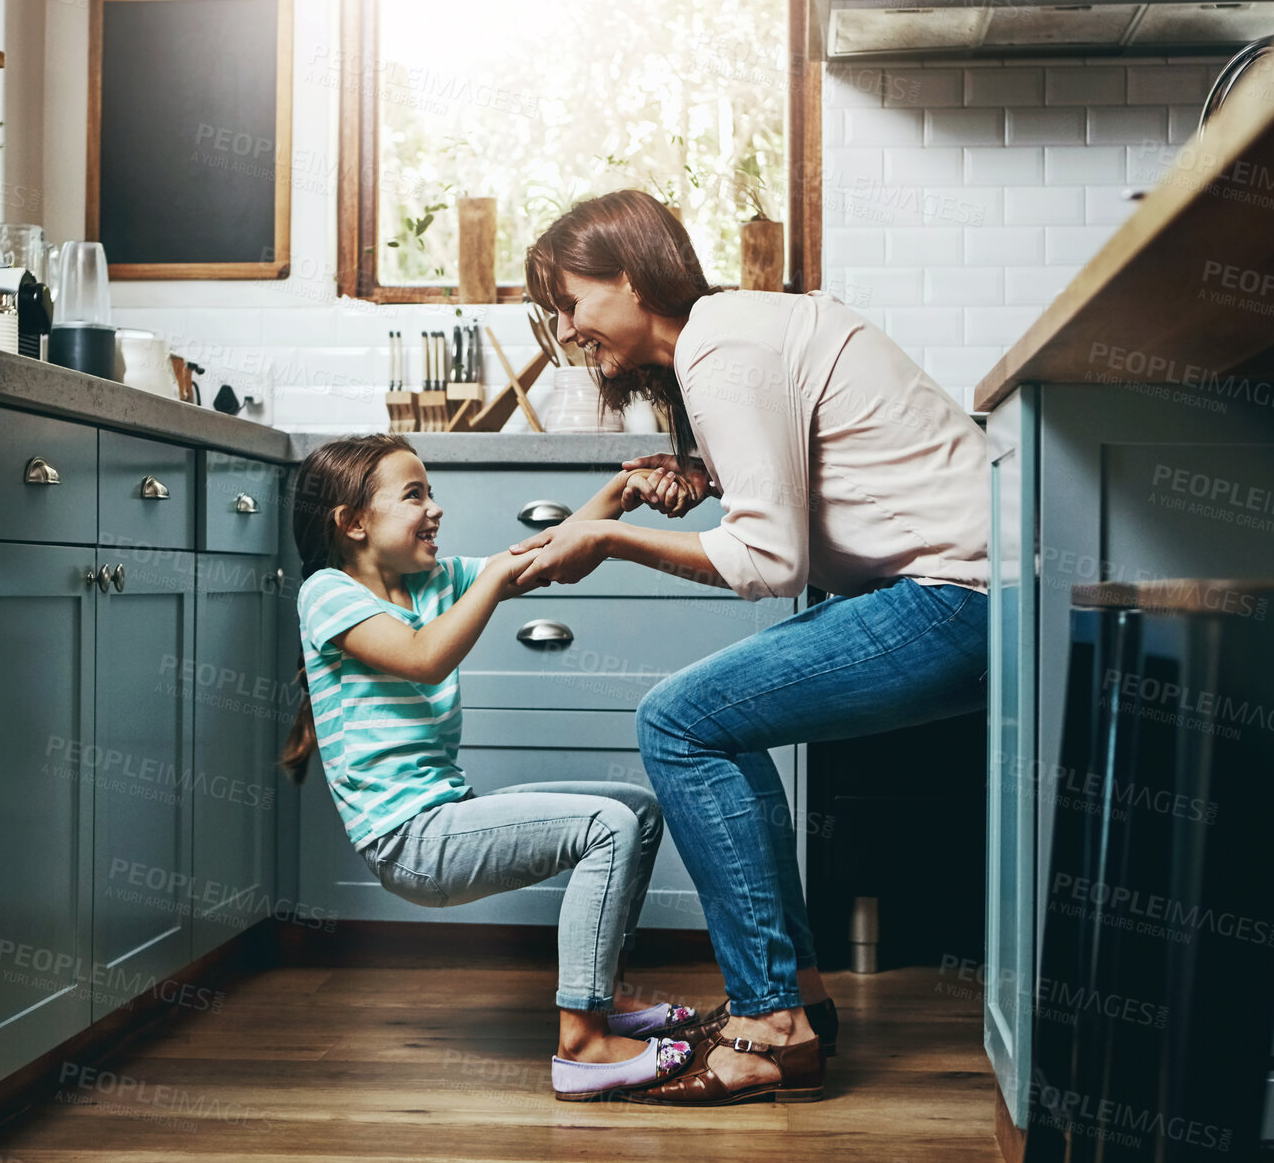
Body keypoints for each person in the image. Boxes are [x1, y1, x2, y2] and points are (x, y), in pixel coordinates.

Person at [512, 189, 990, 1106]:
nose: (571, 331)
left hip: (956, 598)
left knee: (679, 721)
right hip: (960, 591)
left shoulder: (720, 347)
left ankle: (771, 1022)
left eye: (573, 302)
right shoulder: (732, 333)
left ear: (628, 274)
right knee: (712, 724)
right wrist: (708, 477)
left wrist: (606, 539)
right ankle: (797, 1002)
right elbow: (822, 484)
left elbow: (769, 560)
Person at [282, 433, 703, 1101]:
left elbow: (549, 557)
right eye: (414, 494)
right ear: (353, 522)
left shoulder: (432, 582)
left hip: (446, 811)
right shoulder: (327, 593)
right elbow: (424, 656)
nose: (436, 508)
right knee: (607, 827)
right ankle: (582, 1045)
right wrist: (494, 579)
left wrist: (623, 494)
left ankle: (600, 993)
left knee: (636, 810)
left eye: (432, 490)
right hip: (407, 838)